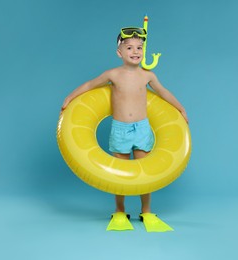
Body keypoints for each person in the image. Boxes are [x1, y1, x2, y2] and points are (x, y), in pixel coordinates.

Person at [61, 27, 188, 230]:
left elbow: (164, 93)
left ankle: (146, 212)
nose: (135, 51)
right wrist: (69, 97)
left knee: (145, 173)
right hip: (120, 129)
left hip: (142, 129)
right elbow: (89, 85)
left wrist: (181, 108)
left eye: (139, 47)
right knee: (118, 175)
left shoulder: (148, 76)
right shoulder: (113, 74)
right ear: (120, 53)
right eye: (129, 47)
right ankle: (120, 212)